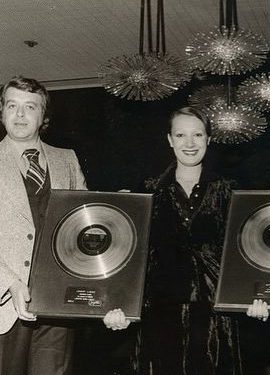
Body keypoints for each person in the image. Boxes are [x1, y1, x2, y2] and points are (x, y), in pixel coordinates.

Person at [105, 106, 242, 374]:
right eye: (180, 135)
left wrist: (254, 297)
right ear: (169, 140)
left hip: (215, 319)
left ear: (209, 139)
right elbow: (128, 258)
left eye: (198, 135)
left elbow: (244, 256)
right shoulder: (145, 192)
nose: (189, 143)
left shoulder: (231, 191)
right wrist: (116, 303)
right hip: (160, 317)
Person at [0, 76, 87, 374]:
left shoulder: (68, 160)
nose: (20, 115)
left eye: (30, 107)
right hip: (4, 306)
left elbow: (83, 228)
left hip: (57, 306)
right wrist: (9, 281)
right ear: (2, 112)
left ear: (43, 116)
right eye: (12, 105)